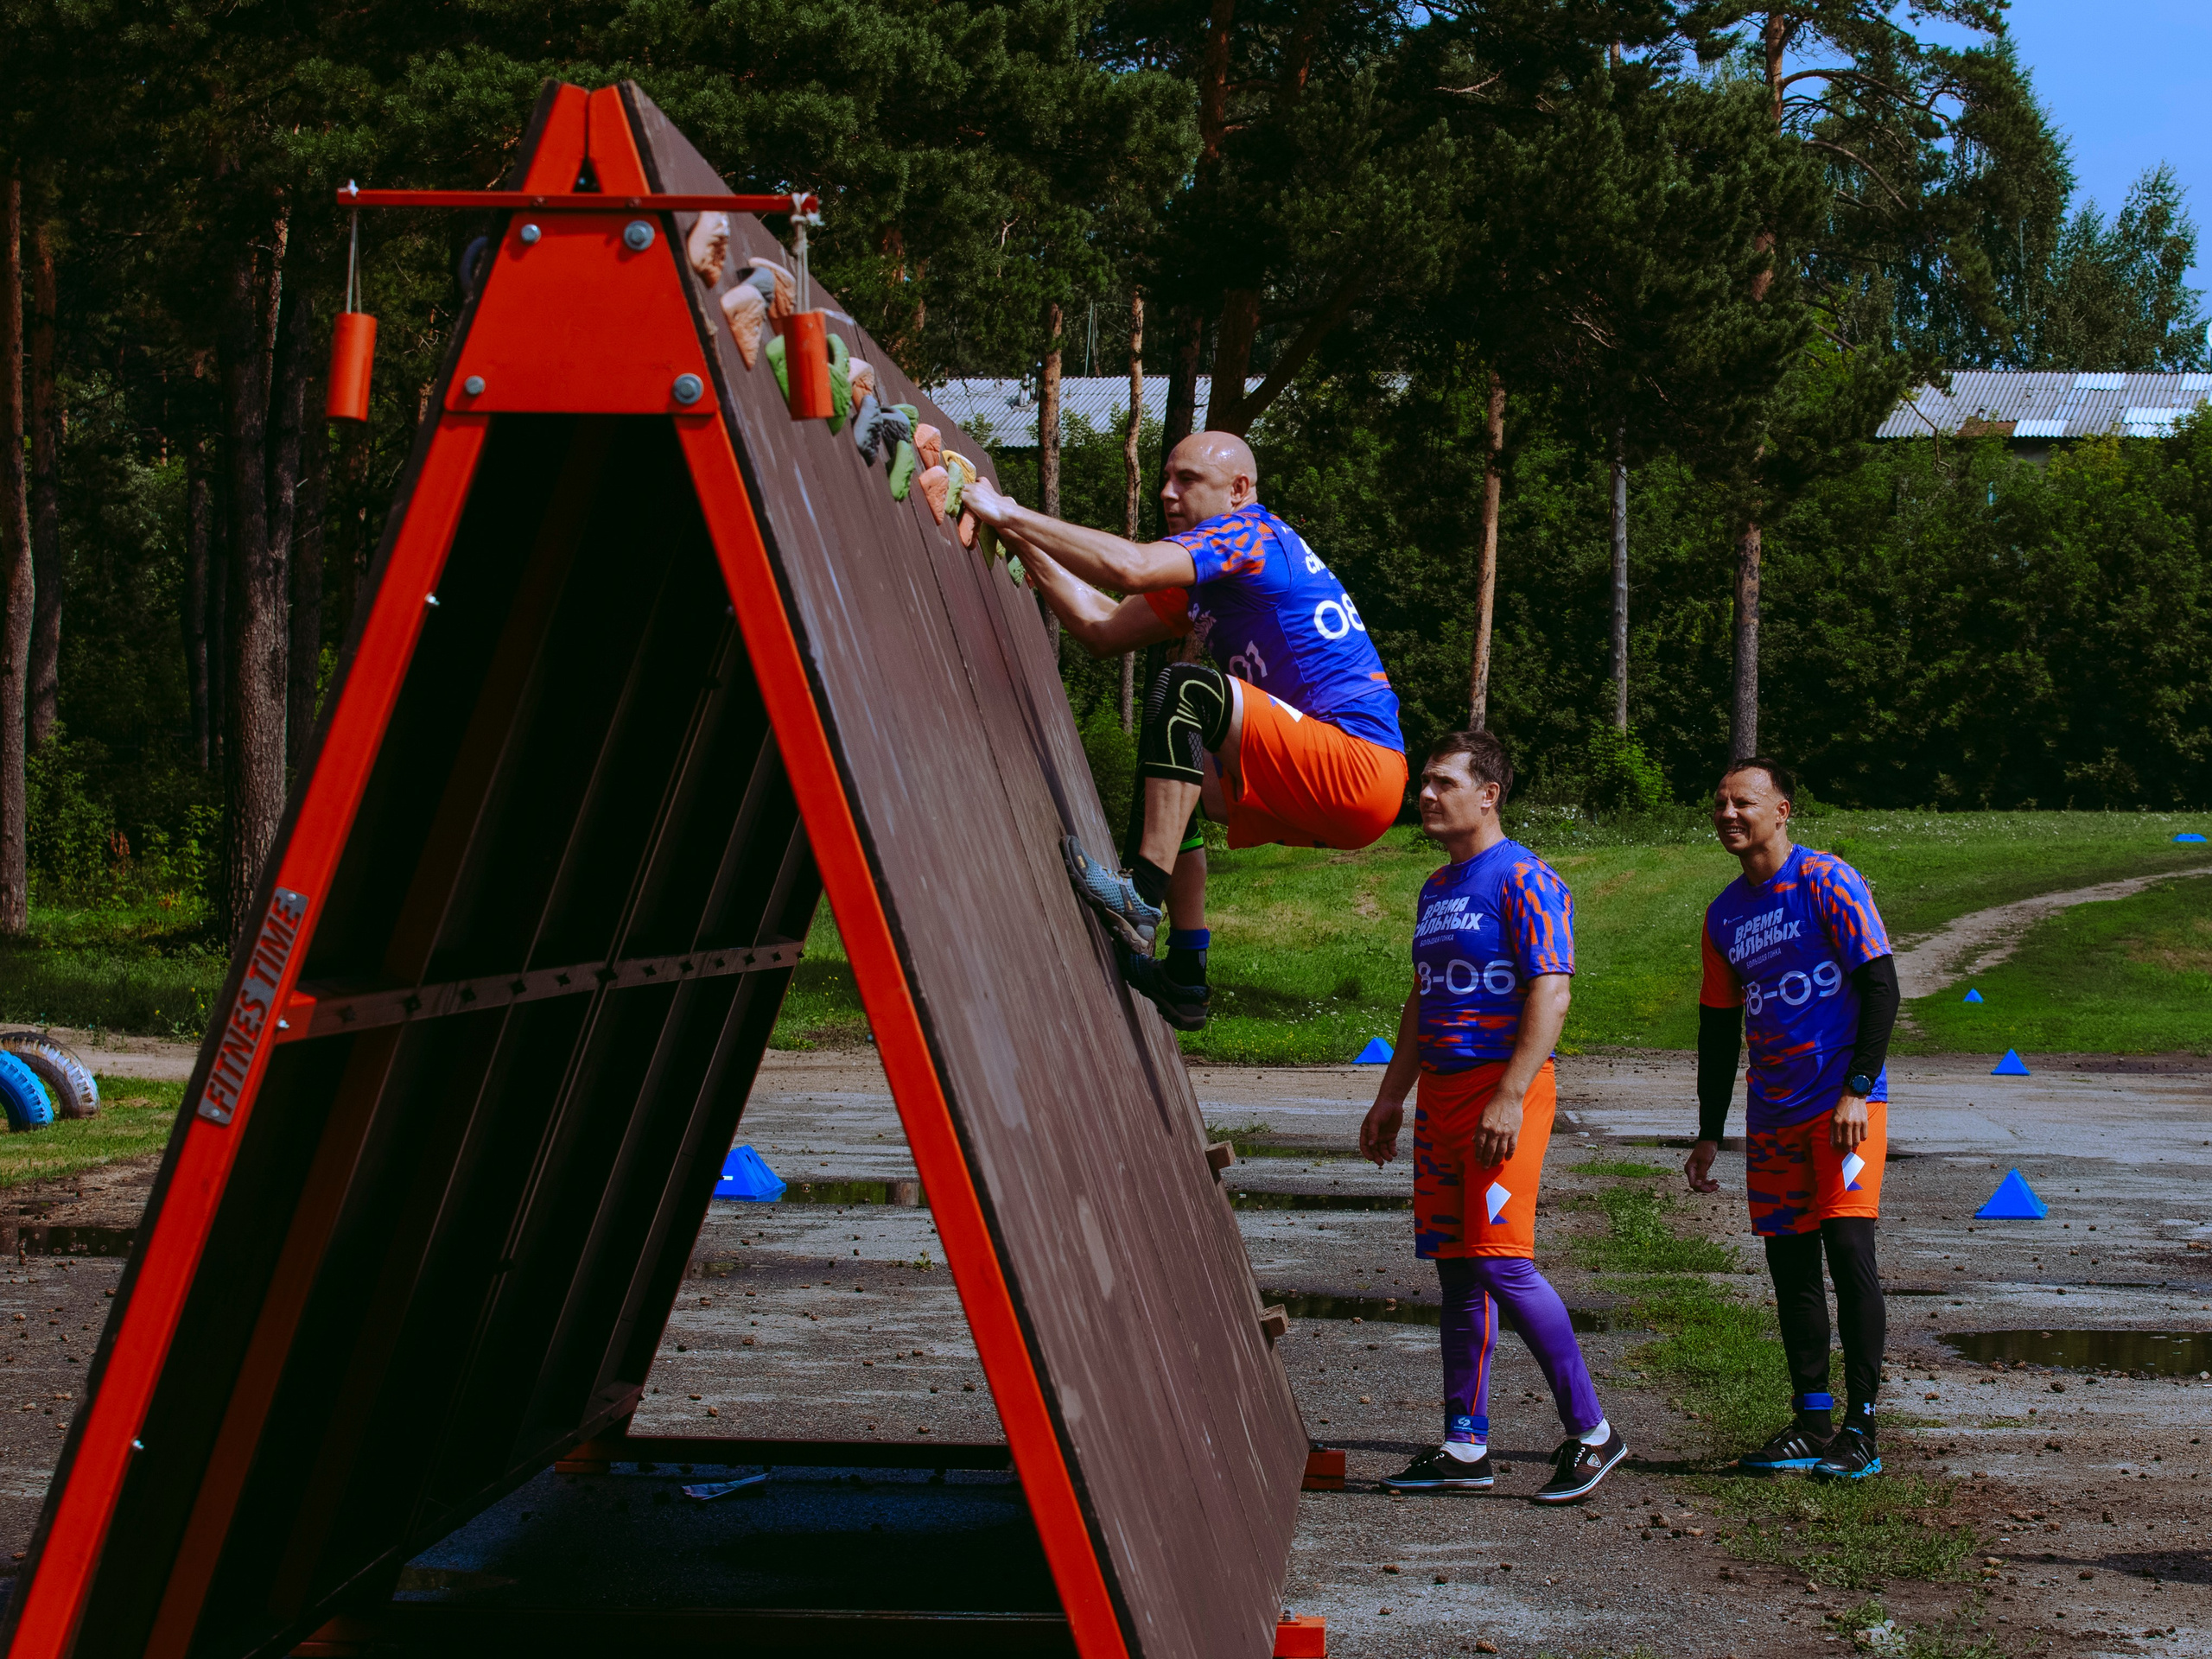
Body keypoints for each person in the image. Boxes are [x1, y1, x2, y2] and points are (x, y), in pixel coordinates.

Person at [960, 433, 1406, 1029]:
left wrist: (1010, 512)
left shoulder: (1250, 534)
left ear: (1239, 490)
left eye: (1188, 480)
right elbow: (1102, 628)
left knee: (1185, 687)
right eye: (1166, 479)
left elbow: (1131, 566)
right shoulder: (1207, 578)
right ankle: (1186, 974)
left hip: (1358, 766)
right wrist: (1021, 538)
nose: (1168, 494)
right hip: (1340, 790)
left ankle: (1141, 895)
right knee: (1170, 767)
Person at [1357, 731, 1627, 1502]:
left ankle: (1594, 1433)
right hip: (1441, 1096)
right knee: (1457, 1269)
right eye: (1424, 782)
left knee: (1502, 1262)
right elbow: (1423, 997)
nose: (1425, 795)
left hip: (1503, 1093)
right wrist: (1391, 1095)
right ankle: (1464, 1446)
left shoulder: (1526, 879)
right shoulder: (1436, 889)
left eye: (1443, 782)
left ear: (1489, 794)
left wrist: (1509, 1092)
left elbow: (1552, 992)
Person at [1685, 758, 1898, 1481]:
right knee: (1791, 1265)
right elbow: (1720, 1031)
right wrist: (1709, 1131)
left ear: (1782, 811)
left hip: (1842, 1108)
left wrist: (1858, 1089)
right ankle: (1811, 1421)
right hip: (1772, 1113)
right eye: (1720, 803)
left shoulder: (1827, 880)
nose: (1728, 814)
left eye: (1743, 802)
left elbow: (1881, 987)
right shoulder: (1723, 915)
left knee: (1849, 1249)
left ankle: (1861, 1428)